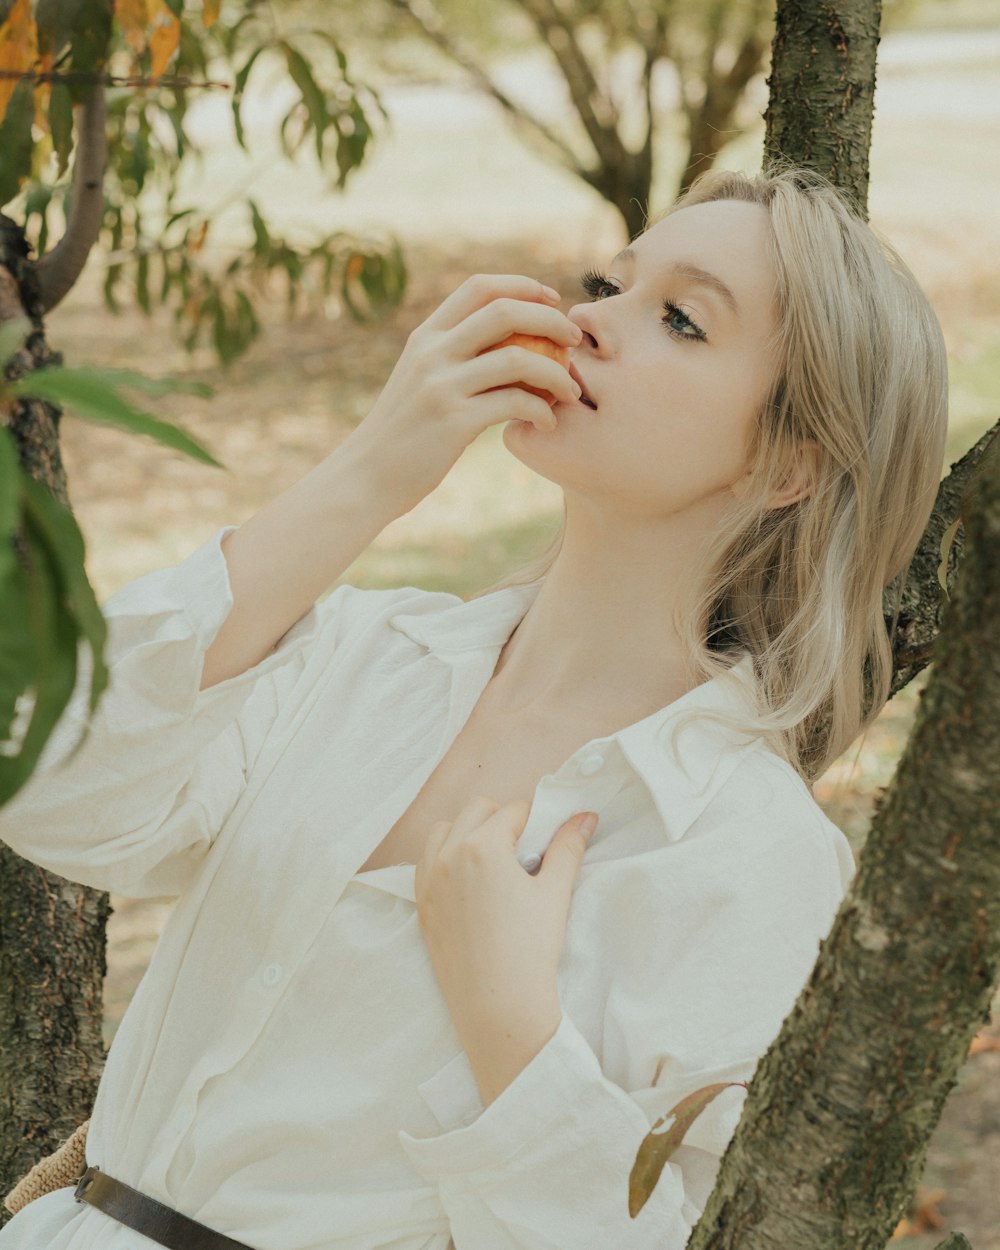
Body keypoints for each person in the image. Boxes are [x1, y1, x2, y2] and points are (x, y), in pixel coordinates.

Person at [0, 165, 948, 1250]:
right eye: (608, 281)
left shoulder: (744, 856)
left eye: (679, 319)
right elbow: (48, 786)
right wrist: (369, 471)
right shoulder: (360, 652)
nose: (586, 321)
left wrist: (513, 1031)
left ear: (787, 461)